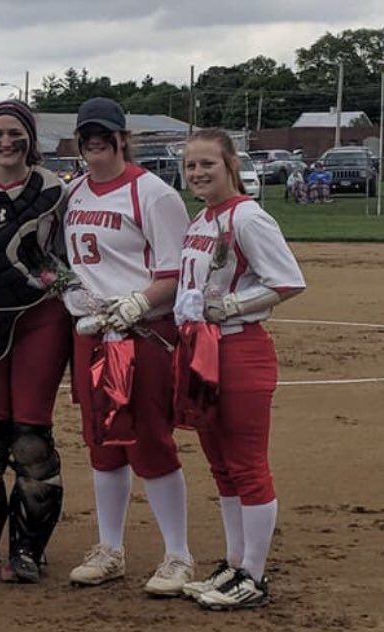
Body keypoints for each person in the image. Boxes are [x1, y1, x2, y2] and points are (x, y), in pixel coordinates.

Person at [62, 97, 194, 596]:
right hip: (93, 335)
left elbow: (175, 272)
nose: (95, 145)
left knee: (150, 441)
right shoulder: (74, 193)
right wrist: (73, 293)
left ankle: (178, 554)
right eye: (86, 137)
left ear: (122, 138)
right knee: (101, 442)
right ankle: (109, 548)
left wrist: (138, 303)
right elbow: (70, 262)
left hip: (142, 336)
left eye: (104, 136)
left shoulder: (152, 194)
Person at [177, 128, 305, 610]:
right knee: (221, 465)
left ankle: (254, 574)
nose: (197, 173)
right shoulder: (202, 219)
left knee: (247, 464)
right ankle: (234, 565)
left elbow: (288, 281)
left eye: (207, 164)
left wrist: (228, 306)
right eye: (191, 165)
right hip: (202, 350)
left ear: (231, 163)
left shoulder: (247, 217)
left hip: (239, 349)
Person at [0, 100, 73, 583]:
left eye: (15, 134)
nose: (5, 143)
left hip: (37, 319)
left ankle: (26, 551)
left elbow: (67, 256)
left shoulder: (55, 190)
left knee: (30, 440)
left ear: (31, 138)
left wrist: (57, 283)